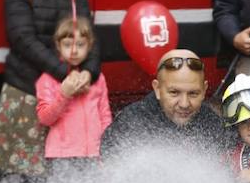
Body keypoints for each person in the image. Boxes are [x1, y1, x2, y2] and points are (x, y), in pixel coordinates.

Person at [0, 0, 100, 177]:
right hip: (27, 92)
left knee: (67, 177)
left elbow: (91, 40)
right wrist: (66, 73)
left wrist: (89, 73)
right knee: (28, 180)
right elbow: (23, 40)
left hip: (70, 94)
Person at [99, 49, 234, 156]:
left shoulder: (214, 125)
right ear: (157, 89)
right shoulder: (131, 123)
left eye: (193, 93)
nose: (184, 104)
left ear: (204, 90)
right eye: (174, 93)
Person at [35, 16, 111, 169]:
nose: (74, 51)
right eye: (68, 45)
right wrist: (64, 95)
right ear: (58, 46)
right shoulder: (47, 79)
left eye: (80, 45)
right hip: (62, 156)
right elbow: (44, 118)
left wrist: (105, 145)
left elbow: (104, 114)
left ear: (89, 46)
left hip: (93, 153)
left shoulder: (97, 78)